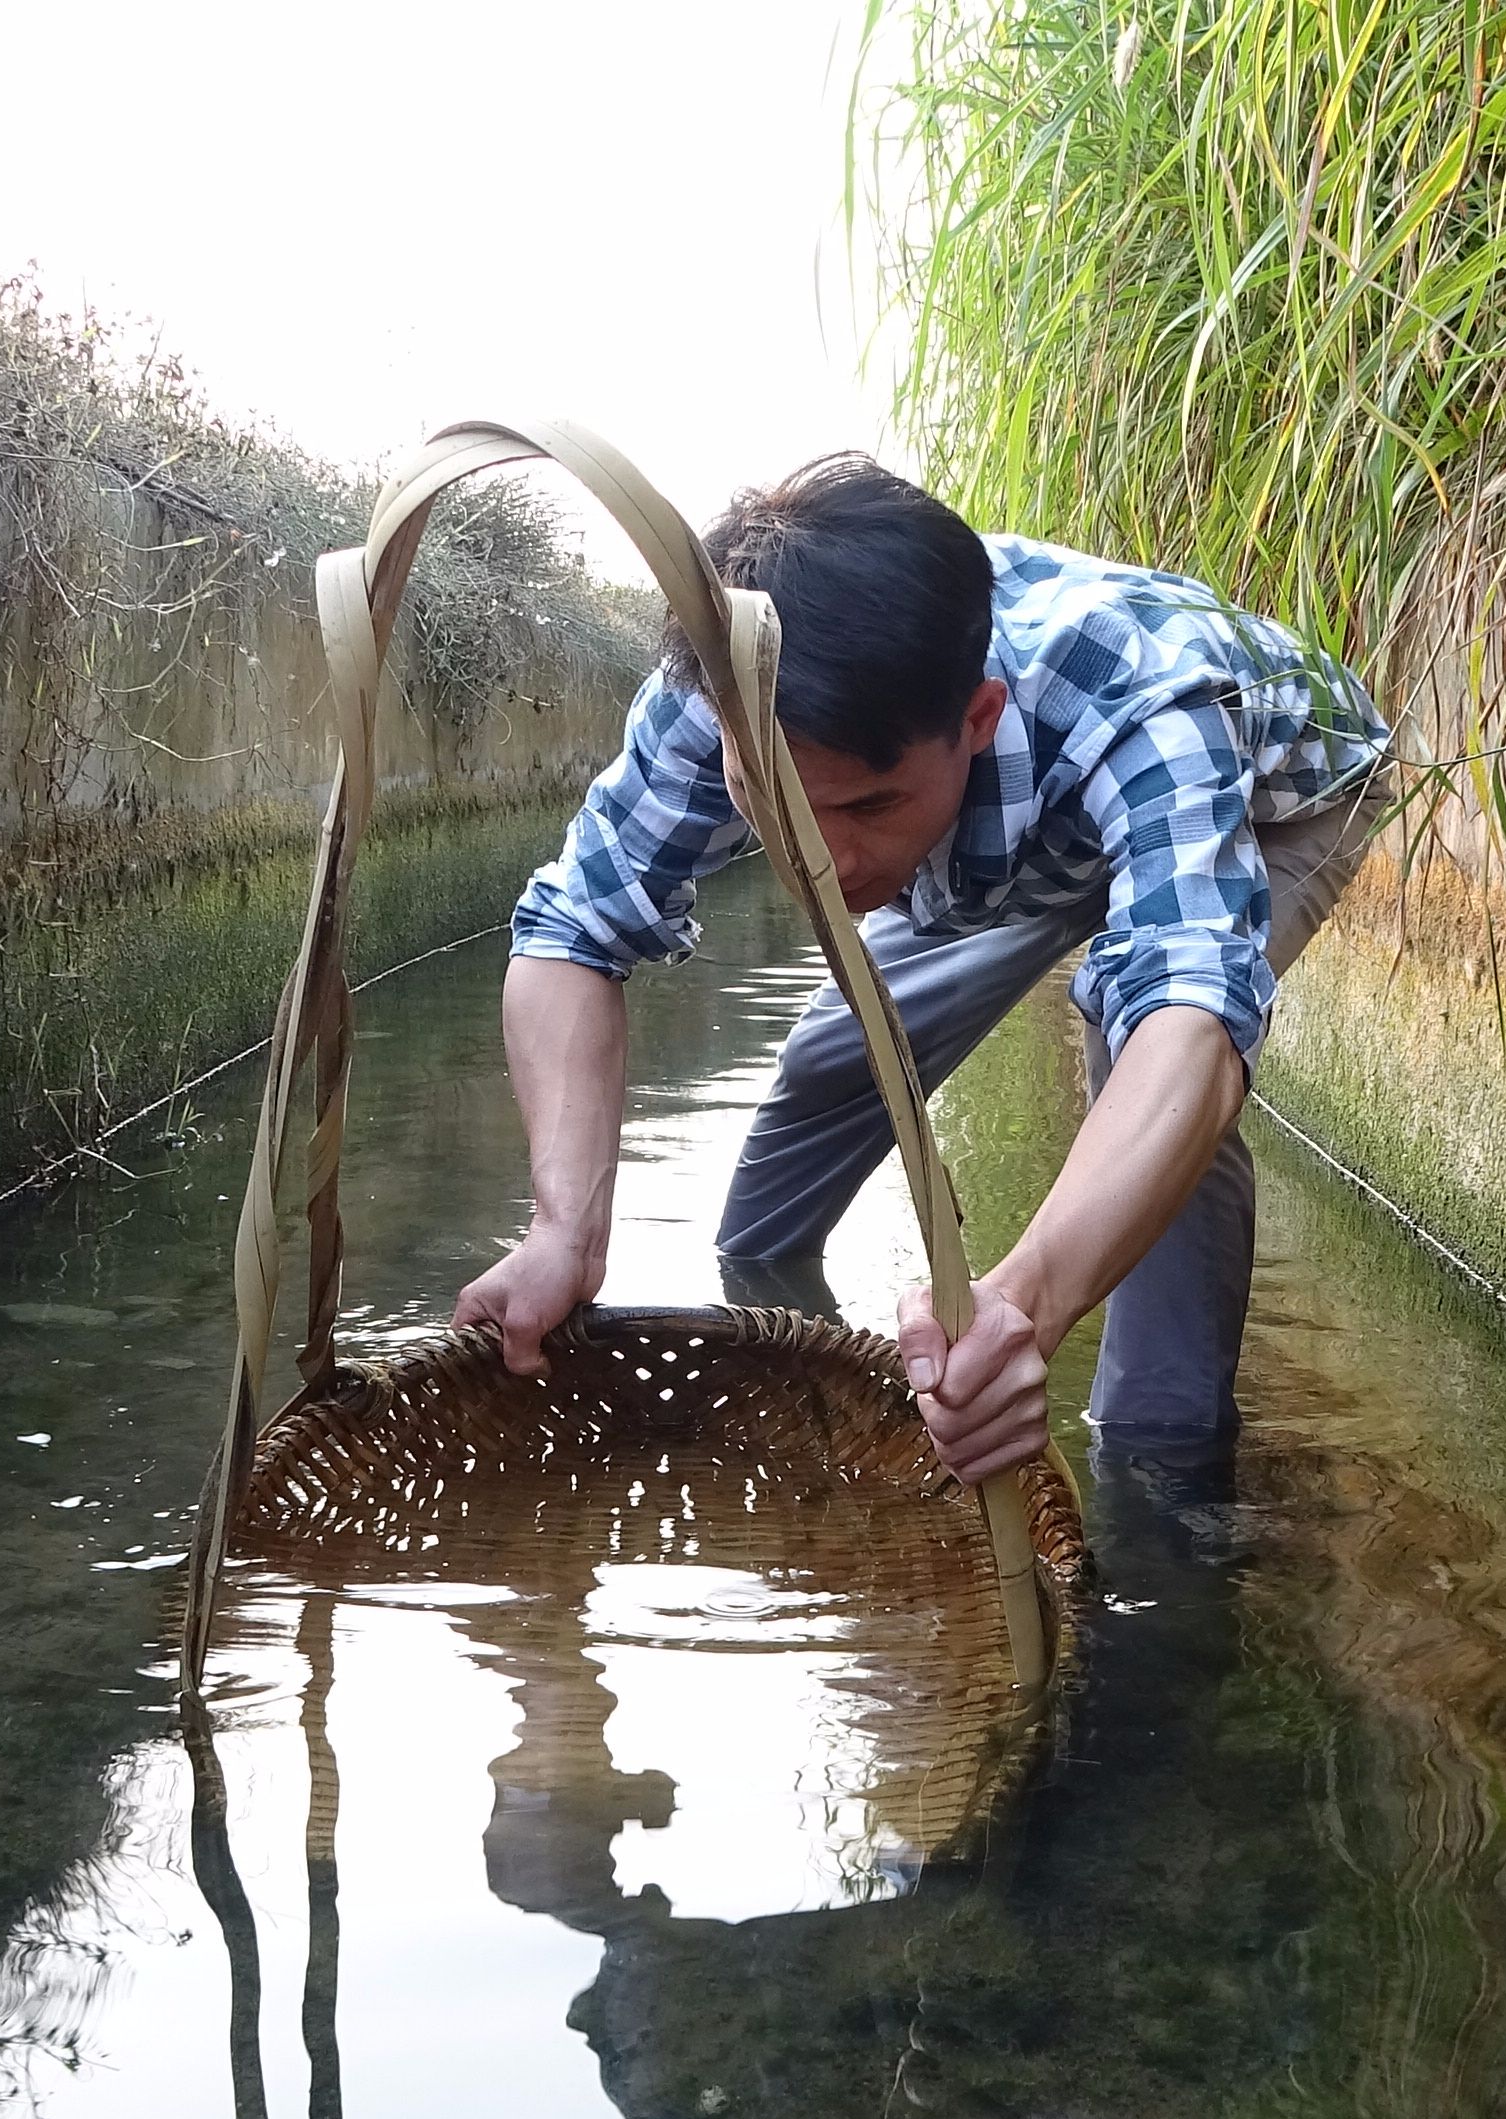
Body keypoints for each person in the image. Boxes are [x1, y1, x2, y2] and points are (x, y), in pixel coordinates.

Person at [454, 454, 1389, 1484]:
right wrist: (564, 1232)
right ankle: (776, 1344)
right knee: (834, 1060)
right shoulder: (718, 692)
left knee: (1142, 1072)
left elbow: (1192, 1014)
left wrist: (1022, 1307)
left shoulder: (1142, 703)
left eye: (866, 808)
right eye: (782, 807)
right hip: (986, 846)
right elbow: (572, 929)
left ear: (978, 721)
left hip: (1273, 797)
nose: (828, 866)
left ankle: (1162, 1476)